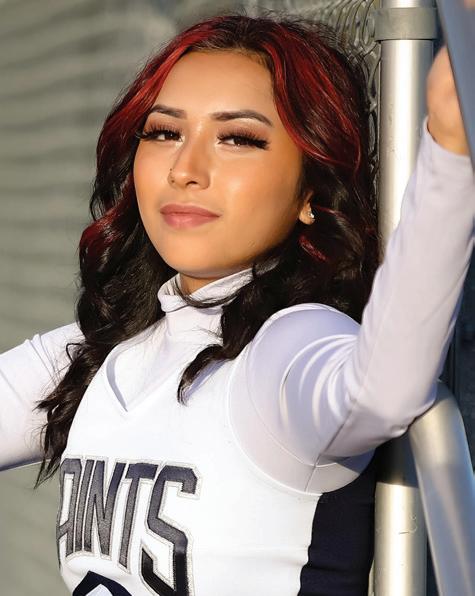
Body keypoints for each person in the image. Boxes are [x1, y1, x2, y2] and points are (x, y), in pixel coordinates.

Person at [0, 12, 473, 596]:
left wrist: (450, 149)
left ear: (311, 192)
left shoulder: (285, 347)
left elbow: (384, 388)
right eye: (164, 132)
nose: (185, 170)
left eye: (239, 139)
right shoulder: (103, 352)